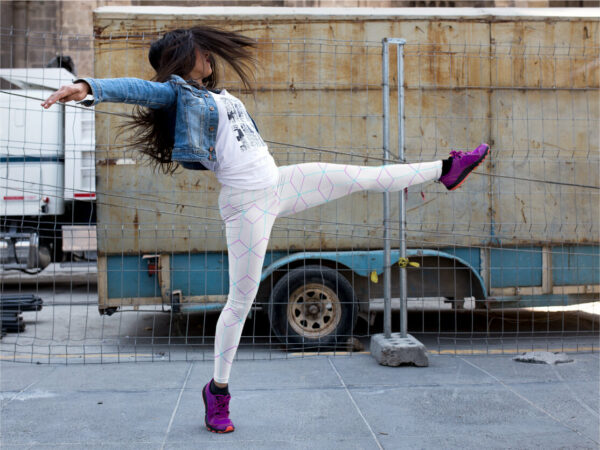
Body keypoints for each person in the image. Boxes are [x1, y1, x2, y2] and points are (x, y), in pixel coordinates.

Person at [42, 26, 490, 434]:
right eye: (201, 52)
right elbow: (141, 90)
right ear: (184, 58)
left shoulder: (221, 97)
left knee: (364, 177)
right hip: (246, 204)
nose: (209, 57)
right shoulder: (178, 94)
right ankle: (218, 393)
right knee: (241, 301)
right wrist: (87, 88)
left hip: (277, 184)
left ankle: (447, 169)